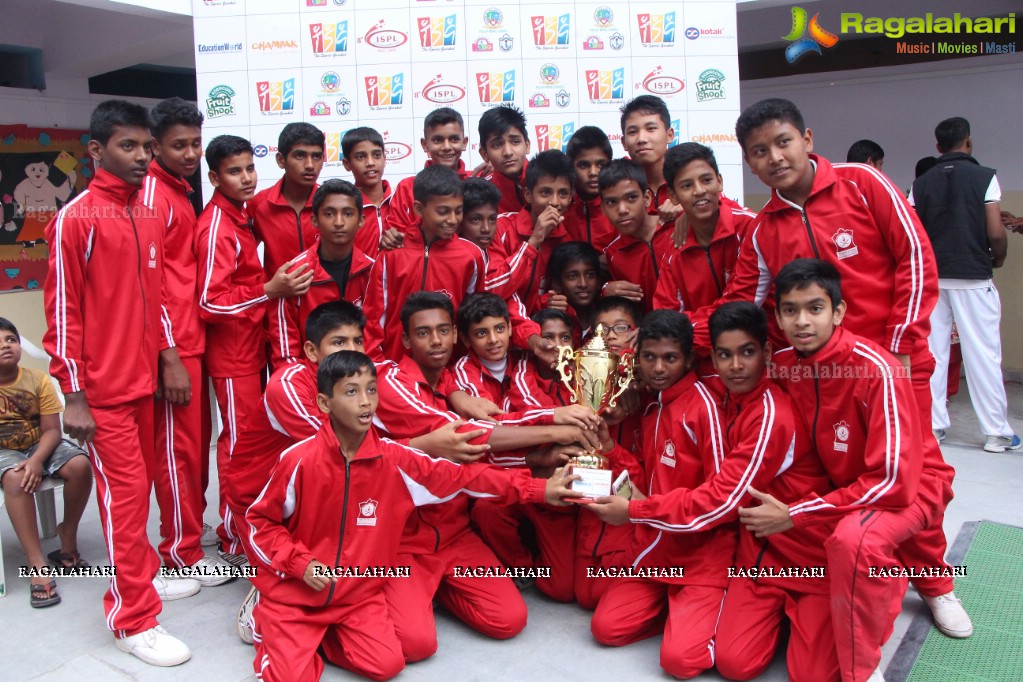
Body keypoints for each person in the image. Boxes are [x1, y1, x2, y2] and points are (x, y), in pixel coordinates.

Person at [694, 99, 969, 638]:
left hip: (893, 366)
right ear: (748, 164)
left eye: (782, 142)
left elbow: (915, 257)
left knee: (909, 483)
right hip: (815, 380)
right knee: (847, 477)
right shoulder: (763, 230)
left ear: (807, 138)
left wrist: (900, 350)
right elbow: (744, 306)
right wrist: (674, 334)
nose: (774, 158)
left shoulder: (864, 184)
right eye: (759, 152)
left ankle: (936, 584)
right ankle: (860, 572)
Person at [245, 350, 584, 682]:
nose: (365, 402)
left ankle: (320, 640)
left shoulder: (394, 459)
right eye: (351, 392)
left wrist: (538, 490)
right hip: (297, 593)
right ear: (324, 403)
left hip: (355, 596)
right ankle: (270, 624)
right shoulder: (299, 461)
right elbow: (260, 523)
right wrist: (299, 563)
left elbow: (468, 478)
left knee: (389, 665)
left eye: (371, 390)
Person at [742, 259, 969, 682]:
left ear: (839, 312)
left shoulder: (874, 369)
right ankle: (886, 580)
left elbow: (895, 482)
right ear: (777, 317)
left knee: (854, 539)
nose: (802, 321)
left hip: (913, 485)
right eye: (790, 310)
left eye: (815, 308)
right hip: (851, 484)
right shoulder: (785, 365)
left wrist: (798, 513)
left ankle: (866, 666)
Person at [44, 99, 198, 665]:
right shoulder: (77, 218)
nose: (141, 156)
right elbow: (62, 317)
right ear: (96, 151)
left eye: (146, 147)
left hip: (145, 387)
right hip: (102, 397)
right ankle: (131, 619)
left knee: (148, 488)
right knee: (126, 501)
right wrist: (74, 397)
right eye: (128, 146)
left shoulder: (146, 213)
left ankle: (145, 581)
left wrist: (170, 358)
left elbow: (155, 301)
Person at [585, 310, 733, 679]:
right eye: (649, 357)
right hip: (656, 548)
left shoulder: (704, 408)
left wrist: (636, 512)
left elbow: (720, 500)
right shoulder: (652, 404)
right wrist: (609, 449)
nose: (659, 367)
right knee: (606, 628)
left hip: (702, 556)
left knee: (680, 662)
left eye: (670, 358)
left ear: (688, 358)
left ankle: (711, 612)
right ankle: (677, 614)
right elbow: (642, 480)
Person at [704, 303, 837, 682]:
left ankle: (846, 607)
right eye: (725, 355)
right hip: (758, 560)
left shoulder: (772, 411)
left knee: (811, 676)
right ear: (713, 357)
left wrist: (637, 510)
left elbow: (722, 500)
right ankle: (779, 622)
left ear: (765, 352)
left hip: (810, 560)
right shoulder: (722, 395)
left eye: (747, 352)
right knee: (734, 664)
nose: (736, 366)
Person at [195, 135, 311, 564]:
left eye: (249, 168)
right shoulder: (216, 228)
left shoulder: (241, 216)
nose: (245, 178)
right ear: (213, 177)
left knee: (256, 441)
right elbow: (208, 300)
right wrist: (269, 290)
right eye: (233, 171)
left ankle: (245, 523)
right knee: (238, 444)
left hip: (253, 345)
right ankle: (231, 533)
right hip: (232, 355)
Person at [143, 97, 223, 581]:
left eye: (196, 143)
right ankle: (178, 554)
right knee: (177, 452)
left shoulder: (177, 189)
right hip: (176, 349)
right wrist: (168, 357)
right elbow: (148, 288)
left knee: (195, 449)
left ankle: (189, 533)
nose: (191, 153)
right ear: (155, 146)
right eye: (179, 145)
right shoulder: (153, 197)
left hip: (195, 342)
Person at [909, 116, 1020, 452]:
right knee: (983, 353)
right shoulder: (985, 177)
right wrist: (996, 258)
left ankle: (934, 426)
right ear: (968, 142)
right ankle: (996, 433)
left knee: (934, 353)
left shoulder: (922, 183)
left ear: (938, 146)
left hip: (933, 278)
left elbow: (914, 233)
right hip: (973, 275)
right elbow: (996, 232)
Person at [0, 317, 92, 608]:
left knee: (80, 465)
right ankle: (36, 563)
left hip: (40, 444)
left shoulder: (37, 379)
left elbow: (52, 430)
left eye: (10, 340)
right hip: (3, 451)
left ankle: (68, 537)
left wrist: (38, 459)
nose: (5, 346)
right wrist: (27, 464)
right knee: (16, 477)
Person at [361, 165, 486, 362]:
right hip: (395, 368)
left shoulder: (471, 256)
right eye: (443, 212)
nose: (452, 220)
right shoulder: (393, 254)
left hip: (448, 371)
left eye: (458, 211)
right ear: (419, 208)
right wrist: (379, 367)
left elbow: (472, 318)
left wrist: (462, 368)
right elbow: (373, 319)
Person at [268, 179, 375, 369]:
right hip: (310, 381)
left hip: (362, 380)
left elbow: (375, 341)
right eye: (329, 213)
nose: (339, 222)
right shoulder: (293, 276)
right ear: (315, 220)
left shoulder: (373, 271)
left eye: (348, 213)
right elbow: (286, 356)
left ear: (361, 221)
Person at [653, 143, 757, 317]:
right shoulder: (675, 249)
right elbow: (666, 317)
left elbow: (741, 308)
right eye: (687, 185)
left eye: (706, 180)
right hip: (697, 342)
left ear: (719, 182)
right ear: (673, 196)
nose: (699, 191)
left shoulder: (749, 228)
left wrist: (689, 326)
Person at [491, 149, 574, 313]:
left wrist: (546, 303)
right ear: (528, 194)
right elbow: (494, 291)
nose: (555, 202)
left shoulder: (567, 242)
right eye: (546, 192)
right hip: (500, 330)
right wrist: (534, 241)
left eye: (563, 193)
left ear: (571, 197)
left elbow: (554, 299)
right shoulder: (500, 227)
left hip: (538, 330)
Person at [247, 122, 324, 277]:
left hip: (325, 297)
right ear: (281, 160)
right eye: (300, 155)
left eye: (316, 156)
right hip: (278, 299)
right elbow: (245, 257)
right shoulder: (260, 204)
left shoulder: (330, 202)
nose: (310, 165)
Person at [601, 159, 673, 312]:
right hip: (649, 332)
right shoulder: (614, 253)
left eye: (631, 197)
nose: (622, 209)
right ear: (602, 208)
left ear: (646, 198)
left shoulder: (675, 228)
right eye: (611, 202)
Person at [388, 108, 471, 239]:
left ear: (464, 142)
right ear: (425, 144)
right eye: (438, 140)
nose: (447, 147)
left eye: (454, 139)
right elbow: (397, 236)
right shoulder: (407, 187)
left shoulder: (478, 179)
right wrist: (391, 237)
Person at [619, 95, 680, 222]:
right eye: (632, 132)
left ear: (669, 135)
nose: (642, 139)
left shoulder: (688, 174)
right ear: (624, 142)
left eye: (651, 129)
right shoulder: (617, 181)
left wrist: (690, 209)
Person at [563, 125, 616, 251]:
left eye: (601, 164)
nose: (593, 172)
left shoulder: (621, 205)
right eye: (584, 165)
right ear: (571, 167)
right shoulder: (561, 207)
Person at [342, 127, 392, 258]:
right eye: (360, 157)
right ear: (347, 164)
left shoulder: (400, 202)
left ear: (384, 158)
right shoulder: (343, 210)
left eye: (376, 155)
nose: (370, 163)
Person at [544, 241, 602, 340]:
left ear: (599, 280)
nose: (583, 284)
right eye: (572, 276)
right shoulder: (545, 316)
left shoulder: (606, 317)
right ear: (556, 284)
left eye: (590, 275)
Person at [479, 105, 531, 214]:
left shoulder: (549, 180)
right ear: (484, 154)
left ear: (527, 145)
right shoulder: (482, 194)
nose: (508, 152)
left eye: (515, 142)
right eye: (497, 145)